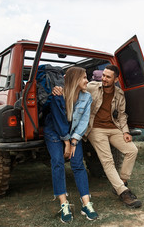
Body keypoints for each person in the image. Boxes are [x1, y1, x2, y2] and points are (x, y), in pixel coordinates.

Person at [44, 67, 98, 223]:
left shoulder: (86, 97)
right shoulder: (58, 95)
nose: (87, 81)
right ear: (74, 79)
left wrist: (74, 141)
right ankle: (64, 204)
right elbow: (59, 121)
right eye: (84, 77)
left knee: (77, 164)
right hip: (54, 131)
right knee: (58, 162)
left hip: (72, 133)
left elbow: (83, 121)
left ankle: (86, 204)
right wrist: (66, 142)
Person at [84, 64, 142, 208]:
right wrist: (60, 87)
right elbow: (74, 88)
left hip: (113, 127)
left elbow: (122, 115)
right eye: (103, 75)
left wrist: (126, 132)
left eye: (108, 77)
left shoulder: (119, 94)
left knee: (132, 150)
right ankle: (123, 193)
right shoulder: (92, 87)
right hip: (96, 129)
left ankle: (122, 182)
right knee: (108, 161)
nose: (104, 79)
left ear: (116, 79)